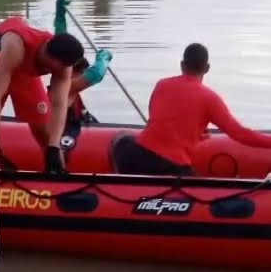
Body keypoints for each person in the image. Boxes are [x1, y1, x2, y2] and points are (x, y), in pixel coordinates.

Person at [112, 43, 271, 176]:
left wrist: (193, 134)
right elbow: (240, 134)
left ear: (182, 64)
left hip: (136, 157)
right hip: (172, 167)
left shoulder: (161, 84)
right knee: (195, 190)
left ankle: (122, 185)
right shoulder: (210, 98)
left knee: (121, 138)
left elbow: (158, 121)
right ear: (207, 68)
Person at [0, 15, 84, 173]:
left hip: (26, 69)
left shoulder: (64, 64)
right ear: (47, 56)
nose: (53, 72)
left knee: (43, 126)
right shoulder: (16, 46)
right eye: (50, 68)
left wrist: (54, 146)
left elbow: (59, 103)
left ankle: (57, 174)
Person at [52, 0, 112, 126]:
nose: (82, 77)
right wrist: (104, 57)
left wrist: (60, 14)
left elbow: (61, 42)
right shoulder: (67, 86)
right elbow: (96, 74)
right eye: (81, 73)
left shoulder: (60, 71)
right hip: (62, 129)